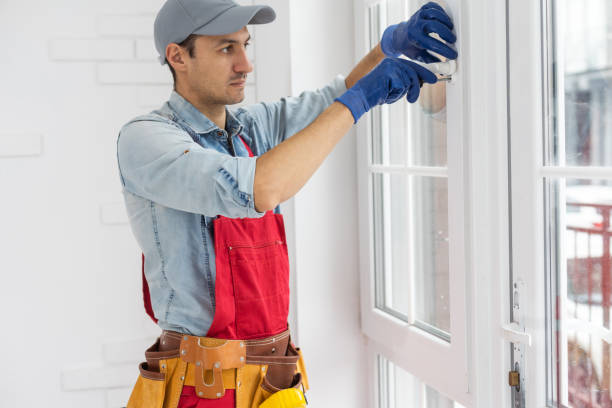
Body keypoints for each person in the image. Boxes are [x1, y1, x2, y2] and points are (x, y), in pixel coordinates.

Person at [116, 0, 457, 407]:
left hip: (274, 385)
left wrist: (388, 47)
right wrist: (362, 99)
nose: (246, 64)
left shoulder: (249, 129)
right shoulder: (147, 140)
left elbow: (335, 98)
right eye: (227, 49)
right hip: (201, 389)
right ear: (178, 56)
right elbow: (261, 189)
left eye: (246, 45)